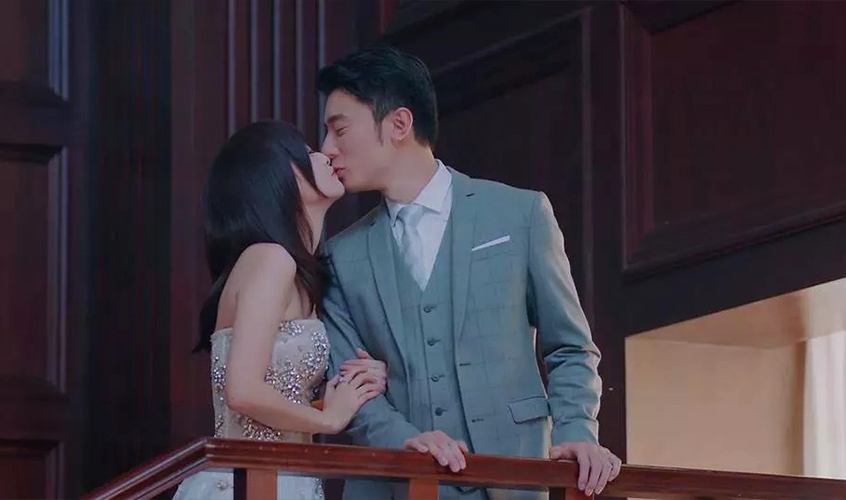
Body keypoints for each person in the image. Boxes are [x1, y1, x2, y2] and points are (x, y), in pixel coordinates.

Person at [317, 46, 622, 499]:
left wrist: (576, 429)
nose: (327, 149)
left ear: (399, 124)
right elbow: (346, 384)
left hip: (511, 477)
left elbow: (570, 346)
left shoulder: (520, 214)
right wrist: (404, 441)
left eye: (339, 130)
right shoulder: (340, 256)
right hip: (394, 488)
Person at [173, 121, 388, 500]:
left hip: (286, 479)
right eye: (306, 153)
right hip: (251, 482)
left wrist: (350, 387)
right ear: (274, 177)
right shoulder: (271, 259)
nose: (324, 155)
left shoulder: (298, 271)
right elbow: (242, 391)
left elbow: (276, 394)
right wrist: (327, 419)